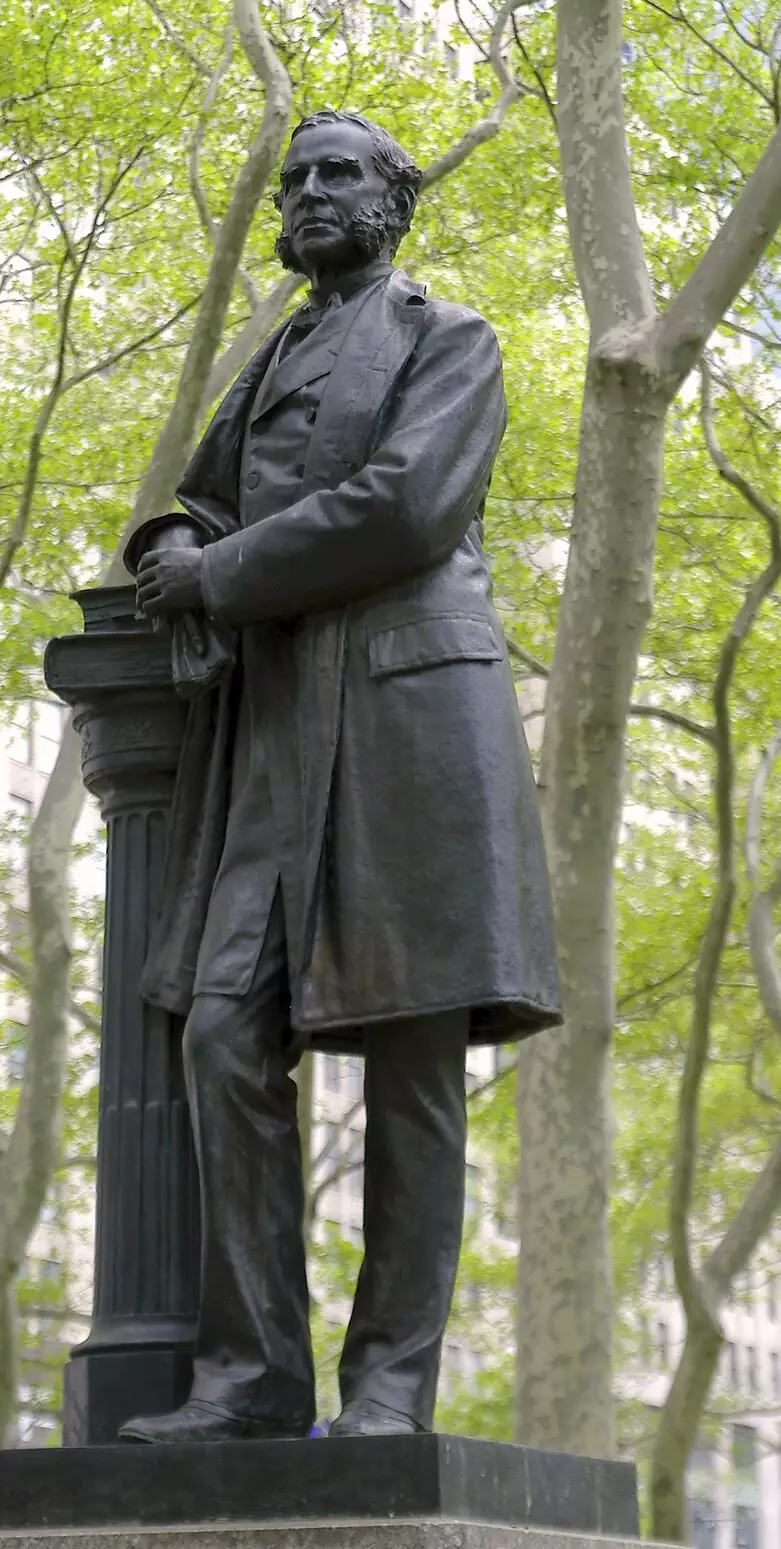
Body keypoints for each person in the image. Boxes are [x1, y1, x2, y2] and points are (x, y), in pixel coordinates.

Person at [119, 111, 561, 1444]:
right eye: (298, 177)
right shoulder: (276, 353)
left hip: (407, 731)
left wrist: (223, 573)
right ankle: (254, 1376)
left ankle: (388, 1390)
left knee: (411, 1059)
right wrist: (170, 539)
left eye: (339, 175)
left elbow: (407, 506)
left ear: (392, 202)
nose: (311, 193)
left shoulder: (450, 339)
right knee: (219, 1028)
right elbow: (195, 498)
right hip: (272, 736)